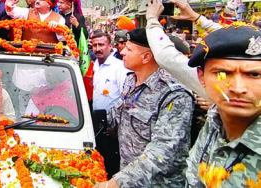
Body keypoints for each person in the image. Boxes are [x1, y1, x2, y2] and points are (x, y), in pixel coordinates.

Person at [95, 28, 194, 187]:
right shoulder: (131, 81)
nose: (122, 53)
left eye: (129, 49)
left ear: (146, 56)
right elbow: (114, 117)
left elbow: (164, 151)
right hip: (126, 175)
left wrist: (116, 183)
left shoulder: (174, 94)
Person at [185, 25, 261, 187]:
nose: (238, 88)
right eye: (222, 74)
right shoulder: (215, 119)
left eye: (254, 74)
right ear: (202, 77)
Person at [90, 30, 130, 177]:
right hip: (98, 123)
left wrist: (117, 127)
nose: (97, 49)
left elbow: (126, 99)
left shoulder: (119, 68)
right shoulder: (96, 65)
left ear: (110, 46)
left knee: (111, 167)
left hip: (112, 128)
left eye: (101, 44)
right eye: (94, 45)